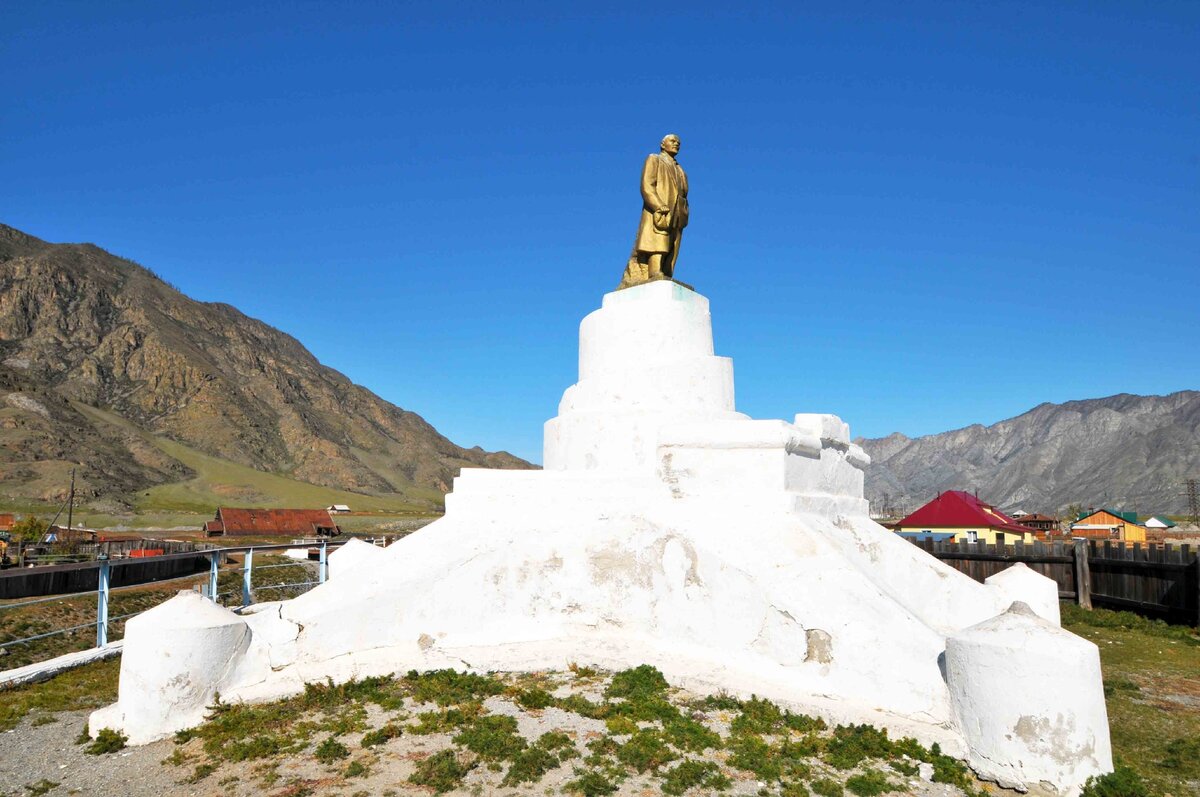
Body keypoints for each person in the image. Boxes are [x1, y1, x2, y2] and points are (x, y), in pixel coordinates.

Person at [619, 134, 689, 288]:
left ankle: (666, 272)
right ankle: (654, 271)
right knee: (658, 240)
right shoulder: (654, 159)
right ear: (662, 144)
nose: (676, 144)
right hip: (660, 209)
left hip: (677, 213)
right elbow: (647, 185)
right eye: (672, 141)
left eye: (678, 142)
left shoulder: (680, 169)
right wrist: (657, 205)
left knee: (672, 245)